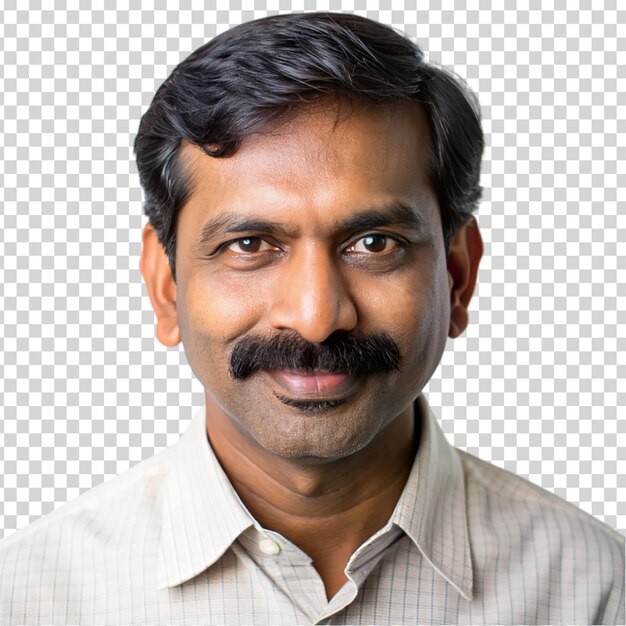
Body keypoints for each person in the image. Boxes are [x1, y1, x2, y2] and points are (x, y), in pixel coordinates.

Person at [0, 12, 623, 625]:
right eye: (250, 245)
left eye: (375, 243)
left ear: (458, 276)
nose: (317, 318)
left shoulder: (597, 589)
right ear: (166, 289)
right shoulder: (31, 597)